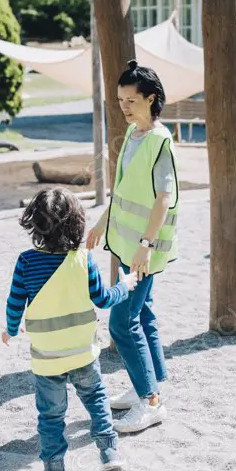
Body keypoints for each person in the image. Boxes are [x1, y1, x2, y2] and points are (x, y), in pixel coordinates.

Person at [2, 188, 138, 471]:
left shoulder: (26, 263)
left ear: (35, 225)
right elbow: (103, 299)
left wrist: (11, 330)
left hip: (47, 357)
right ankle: (109, 451)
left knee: (50, 414)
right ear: (76, 224)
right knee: (97, 399)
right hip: (83, 353)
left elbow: (14, 303)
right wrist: (125, 285)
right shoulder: (83, 260)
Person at [86, 60, 178, 434]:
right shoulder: (133, 136)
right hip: (127, 245)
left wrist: (145, 244)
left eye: (131, 100)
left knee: (122, 324)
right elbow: (124, 191)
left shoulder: (159, 141)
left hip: (144, 250)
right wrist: (100, 222)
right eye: (120, 99)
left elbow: (163, 199)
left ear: (150, 99)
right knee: (144, 317)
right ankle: (151, 387)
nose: (123, 107)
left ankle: (151, 401)